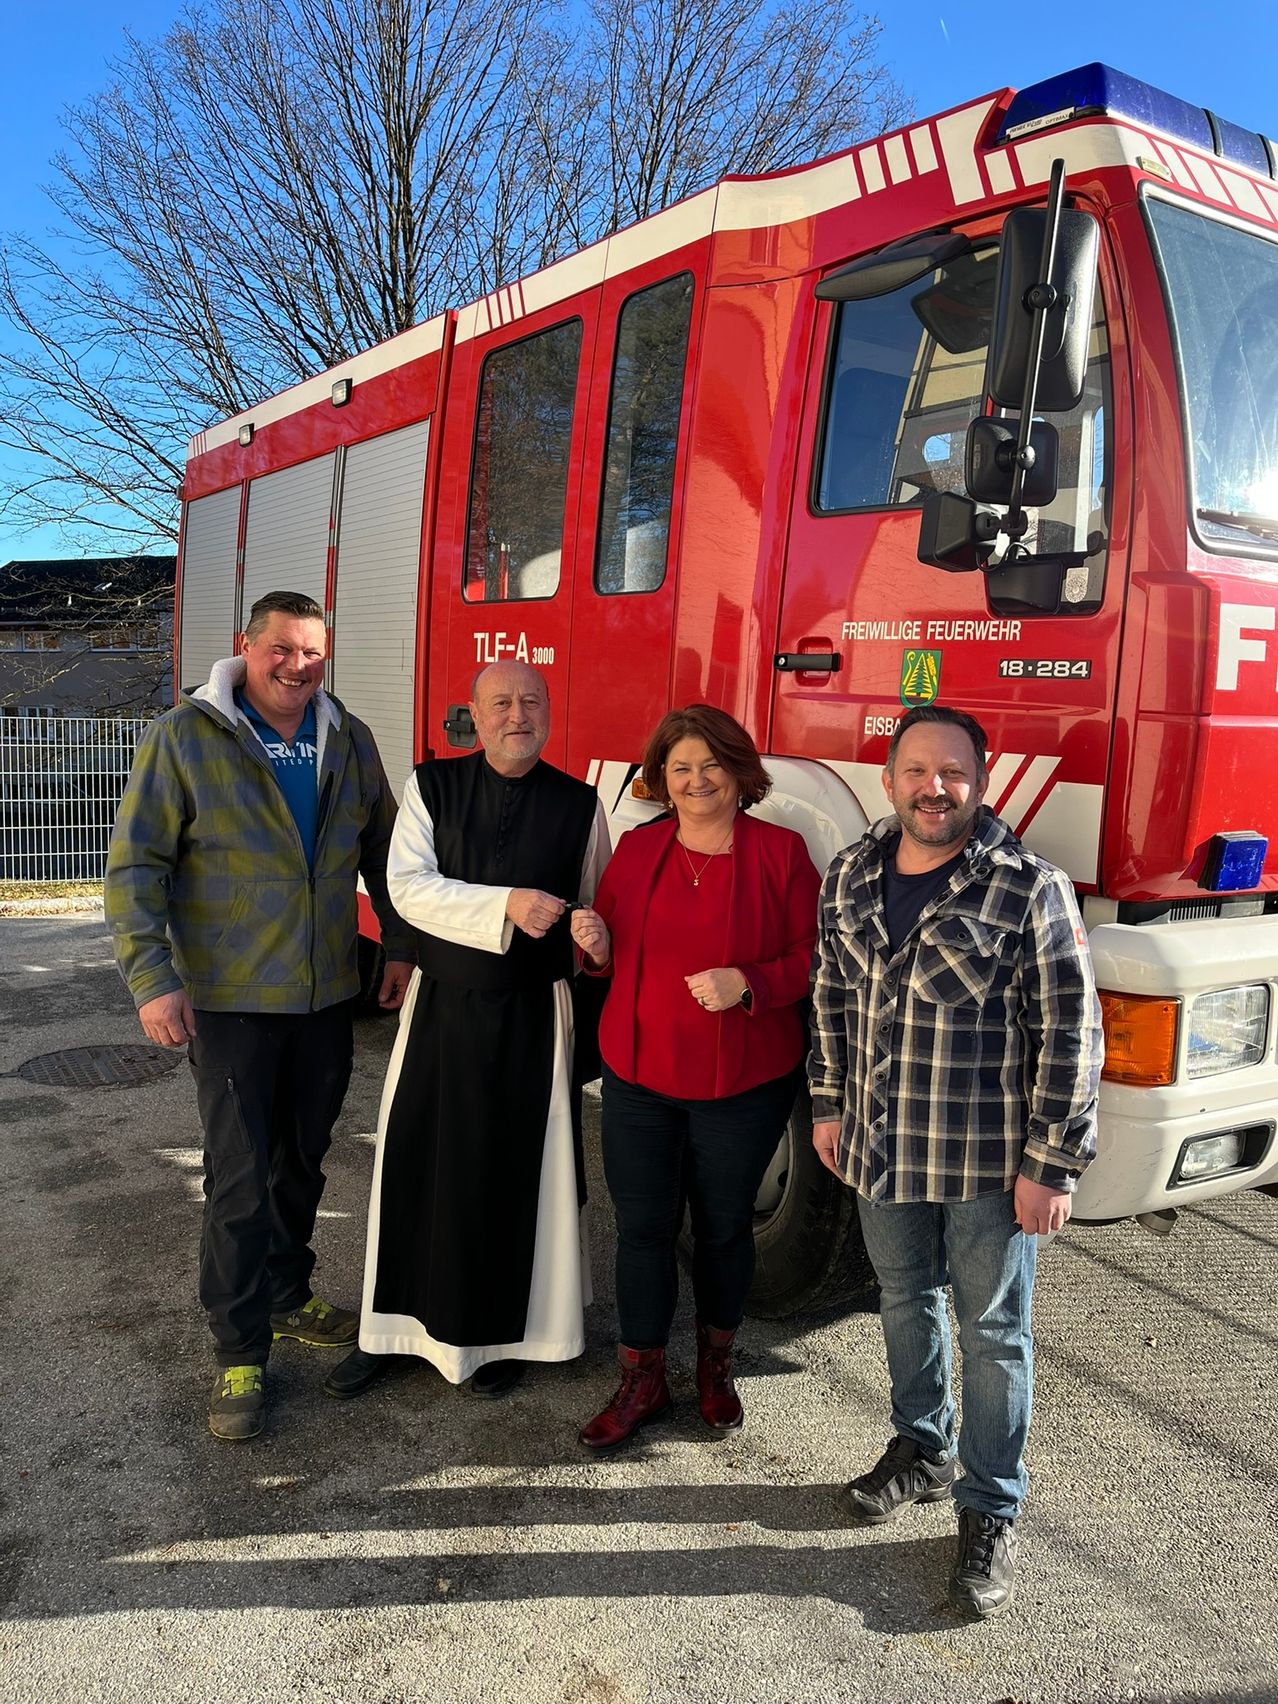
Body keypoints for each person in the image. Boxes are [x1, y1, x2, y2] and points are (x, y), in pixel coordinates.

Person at [809, 703, 1103, 1618]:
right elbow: (828, 994)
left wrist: (1051, 1164)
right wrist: (827, 1102)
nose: (934, 789)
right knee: (903, 1299)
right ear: (889, 777)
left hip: (984, 1166)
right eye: (916, 771)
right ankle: (921, 1448)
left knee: (994, 1335)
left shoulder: (1029, 889)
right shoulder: (853, 872)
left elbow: (1071, 1033)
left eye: (954, 774)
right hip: (878, 1149)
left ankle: (988, 1507)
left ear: (981, 781)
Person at [105, 589, 415, 1443]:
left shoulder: (346, 738)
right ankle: (238, 1350)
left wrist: (397, 946)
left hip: (323, 1000)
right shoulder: (186, 736)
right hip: (233, 1002)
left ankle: (285, 1293)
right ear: (247, 646)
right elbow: (136, 868)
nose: (299, 666)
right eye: (283, 649)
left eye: (314, 652)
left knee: (304, 1164)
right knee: (240, 1180)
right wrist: (152, 979)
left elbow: (386, 850)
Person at [326, 660, 609, 1402]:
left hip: (534, 1016)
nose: (518, 714)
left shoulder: (581, 805)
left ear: (549, 711)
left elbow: (595, 901)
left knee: (521, 1177)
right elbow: (405, 886)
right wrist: (506, 905)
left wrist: (593, 931)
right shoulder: (432, 786)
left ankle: (514, 1336)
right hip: (443, 1012)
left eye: (531, 701)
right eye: (501, 703)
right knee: (418, 1164)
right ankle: (392, 1330)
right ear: (476, 717)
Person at [569, 705, 820, 1451]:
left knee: (721, 1231)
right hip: (640, 1076)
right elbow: (607, 956)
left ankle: (715, 1366)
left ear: (740, 773)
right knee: (643, 1232)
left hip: (742, 1081)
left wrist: (749, 982)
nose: (695, 780)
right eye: (680, 768)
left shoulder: (781, 853)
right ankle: (642, 1379)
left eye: (710, 765)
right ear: (662, 779)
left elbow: (818, 958)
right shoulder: (640, 850)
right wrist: (595, 942)